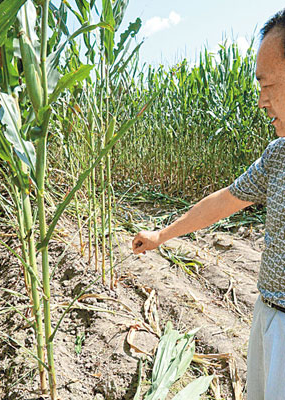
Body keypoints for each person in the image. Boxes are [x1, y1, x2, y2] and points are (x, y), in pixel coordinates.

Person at [132, 9, 285, 400]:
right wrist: (161, 235)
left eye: (267, 85)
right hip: (268, 314)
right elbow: (225, 200)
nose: (261, 101)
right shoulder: (277, 155)